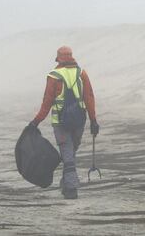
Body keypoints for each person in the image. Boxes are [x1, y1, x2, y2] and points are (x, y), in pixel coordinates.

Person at [28, 46, 99, 199]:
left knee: (68, 155)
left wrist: (35, 122)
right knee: (70, 154)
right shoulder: (82, 74)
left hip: (60, 124)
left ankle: (71, 190)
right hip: (79, 121)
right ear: (72, 57)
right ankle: (66, 183)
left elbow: (46, 103)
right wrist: (93, 121)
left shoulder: (54, 76)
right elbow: (89, 98)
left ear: (58, 59)